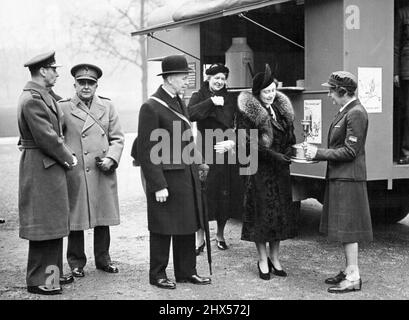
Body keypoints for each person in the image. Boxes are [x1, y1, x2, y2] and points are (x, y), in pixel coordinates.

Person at [135, 55, 211, 289]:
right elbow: (147, 151)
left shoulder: (178, 102)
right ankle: (157, 274)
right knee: (162, 226)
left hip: (185, 174)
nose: (186, 81)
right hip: (165, 177)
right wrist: (157, 184)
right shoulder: (151, 106)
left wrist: (199, 163)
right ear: (168, 78)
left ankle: (186, 271)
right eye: (182, 76)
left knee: (187, 223)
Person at [305, 71, 373, 293]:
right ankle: (348, 269)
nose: (328, 95)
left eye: (331, 90)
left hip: (348, 178)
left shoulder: (356, 113)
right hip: (341, 177)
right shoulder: (346, 111)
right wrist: (318, 155)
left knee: (349, 229)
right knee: (345, 228)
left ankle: (354, 276)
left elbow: (350, 151)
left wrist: (319, 153)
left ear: (343, 92)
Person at [18, 51, 78, 295]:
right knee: (42, 225)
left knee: (53, 224)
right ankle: (36, 280)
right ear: (43, 71)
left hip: (48, 166)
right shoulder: (32, 98)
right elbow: (47, 137)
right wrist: (69, 157)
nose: (57, 72)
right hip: (41, 165)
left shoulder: (43, 95)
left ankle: (52, 277)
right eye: (53, 68)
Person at [59, 64, 125, 278]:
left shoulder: (107, 106)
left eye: (90, 83)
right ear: (75, 84)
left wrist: (111, 158)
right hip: (76, 171)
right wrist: (68, 159)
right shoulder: (63, 107)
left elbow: (117, 137)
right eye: (82, 82)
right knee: (76, 218)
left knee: (102, 216)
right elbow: (57, 139)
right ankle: (76, 262)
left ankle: (103, 259)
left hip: (101, 169)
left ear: (97, 85)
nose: (86, 87)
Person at [236, 64, 299, 280]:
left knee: (280, 215)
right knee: (262, 216)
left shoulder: (281, 110)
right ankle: (262, 260)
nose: (271, 95)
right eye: (267, 92)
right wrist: (275, 156)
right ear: (258, 94)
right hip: (260, 171)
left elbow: (290, 137)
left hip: (280, 171)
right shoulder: (248, 114)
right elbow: (249, 143)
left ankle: (275, 258)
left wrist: (292, 149)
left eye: (273, 90)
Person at [188, 63, 243, 254]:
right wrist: (211, 102)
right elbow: (191, 114)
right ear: (208, 78)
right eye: (216, 78)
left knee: (224, 194)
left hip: (226, 150)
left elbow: (238, 123)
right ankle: (200, 239)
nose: (220, 81)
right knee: (204, 193)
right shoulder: (199, 96)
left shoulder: (230, 98)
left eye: (223, 78)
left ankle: (220, 235)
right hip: (205, 150)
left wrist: (233, 142)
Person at [394, 5, 409, 164]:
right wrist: (396, 72)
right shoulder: (403, 12)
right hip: (407, 71)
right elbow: (396, 45)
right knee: (408, 113)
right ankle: (406, 152)